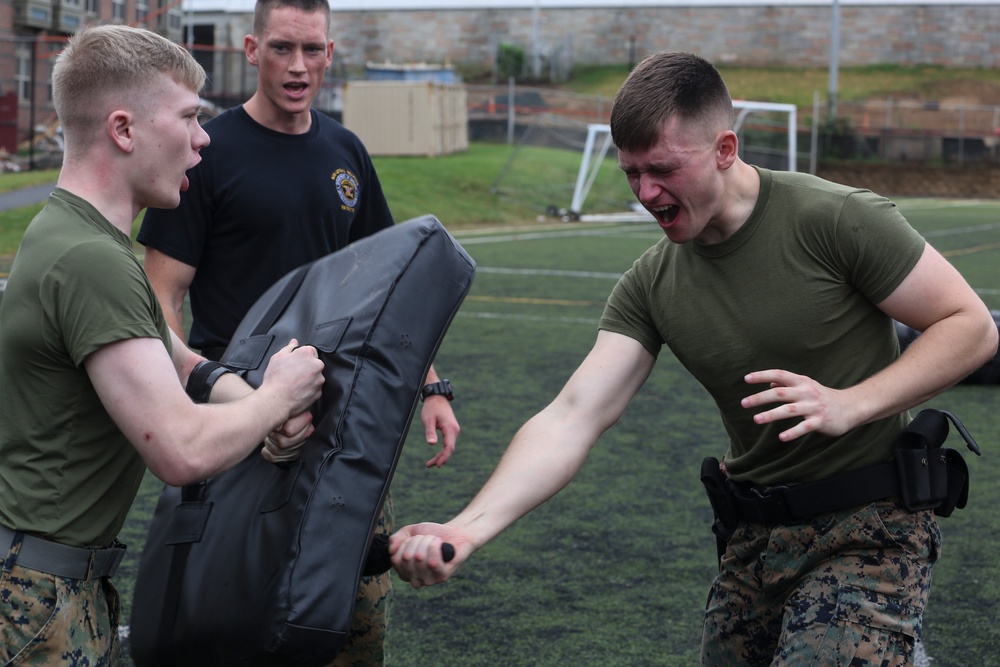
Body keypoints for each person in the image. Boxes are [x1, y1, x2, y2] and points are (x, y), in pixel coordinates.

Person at [389, 51, 999, 666]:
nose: (646, 193)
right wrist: (467, 528)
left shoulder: (835, 218)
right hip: (754, 538)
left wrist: (850, 404)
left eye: (662, 169)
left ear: (725, 149)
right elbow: (572, 415)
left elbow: (970, 326)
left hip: (870, 527)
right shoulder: (650, 283)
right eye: (631, 172)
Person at [137, 0, 461, 663]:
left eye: (312, 50)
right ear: (252, 50)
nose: (298, 66)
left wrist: (433, 385)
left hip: (340, 417)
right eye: (282, 48)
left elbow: (390, 284)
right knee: (234, 613)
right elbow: (161, 293)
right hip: (241, 418)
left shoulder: (345, 152)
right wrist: (193, 400)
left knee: (349, 613)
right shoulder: (207, 150)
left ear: (330, 53)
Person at [0, 24, 325, 665]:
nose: (204, 139)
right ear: (124, 130)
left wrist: (258, 407)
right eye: (189, 118)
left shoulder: (80, 235)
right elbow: (178, 450)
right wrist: (278, 396)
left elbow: (186, 365)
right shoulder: (94, 261)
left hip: (52, 580)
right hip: (35, 597)